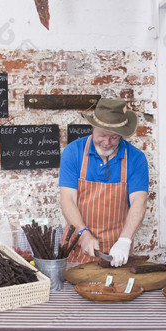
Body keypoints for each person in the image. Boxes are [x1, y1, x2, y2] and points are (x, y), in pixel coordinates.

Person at [59, 98, 149, 267]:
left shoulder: (136, 158)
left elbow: (139, 201)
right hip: (78, 245)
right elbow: (67, 200)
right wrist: (84, 234)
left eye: (114, 137)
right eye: (102, 135)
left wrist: (125, 240)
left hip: (116, 250)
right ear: (92, 128)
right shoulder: (73, 152)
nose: (107, 143)